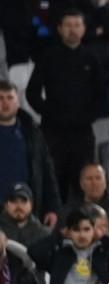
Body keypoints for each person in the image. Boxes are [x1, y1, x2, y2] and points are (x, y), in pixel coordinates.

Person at [26, 8, 105, 197]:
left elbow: (102, 95)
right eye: (68, 25)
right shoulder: (48, 56)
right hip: (54, 132)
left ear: (84, 29)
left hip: (82, 132)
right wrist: (49, 112)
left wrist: (88, 116)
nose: (73, 30)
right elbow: (32, 92)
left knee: (83, 182)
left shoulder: (92, 58)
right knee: (53, 181)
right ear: (60, 29)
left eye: (77, 25)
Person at [0, 81, 62, 223]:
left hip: (28, 213)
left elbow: (47, 172)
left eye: (10, 97)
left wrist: (52, 208)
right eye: (0, 98)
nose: (5, 103)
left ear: (18, 101)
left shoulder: (32, 132)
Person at [0, 183, 51, 249]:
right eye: (14, 201)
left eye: (23, 201)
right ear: (6, 205)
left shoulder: (44, 234)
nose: (19, 206)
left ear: (31, 205)